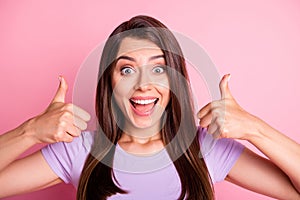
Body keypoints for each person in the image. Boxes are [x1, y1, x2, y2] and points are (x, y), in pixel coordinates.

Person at [0, 15, 299, 200]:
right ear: (110, 83)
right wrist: (29, 132)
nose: (143, 85)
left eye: (158, 69)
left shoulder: (205, 148)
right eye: (127, 70)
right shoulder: (78, 151)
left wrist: (256, 130)